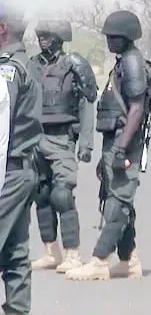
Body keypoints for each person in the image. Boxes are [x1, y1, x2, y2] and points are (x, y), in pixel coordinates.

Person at [66, 10, 151, 281]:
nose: (109, 40)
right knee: (113, 197)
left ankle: (99, 260)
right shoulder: (123, 62)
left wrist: (121, 150)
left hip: (124, 143)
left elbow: (137, 109)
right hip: (114, 141)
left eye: (114, 36)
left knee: (118, 203)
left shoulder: (133, 63)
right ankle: (129, 260)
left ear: (127, 37)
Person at [28, 20, 97, 273]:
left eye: (47, 35)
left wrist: (86, 143)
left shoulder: (74, 65)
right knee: (42, 195)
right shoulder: (31, 64)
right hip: (36, 137)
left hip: (62, 138)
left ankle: (73, 254)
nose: (42, 39)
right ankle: (50, 251)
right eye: (40, 35)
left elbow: (87, 104)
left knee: (62, 194)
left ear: (60, 37)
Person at [0, 0, 43, 314]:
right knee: (15, 252)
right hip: (23, 169)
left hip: (7, 171)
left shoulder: (8, 70)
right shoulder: (28, 63)